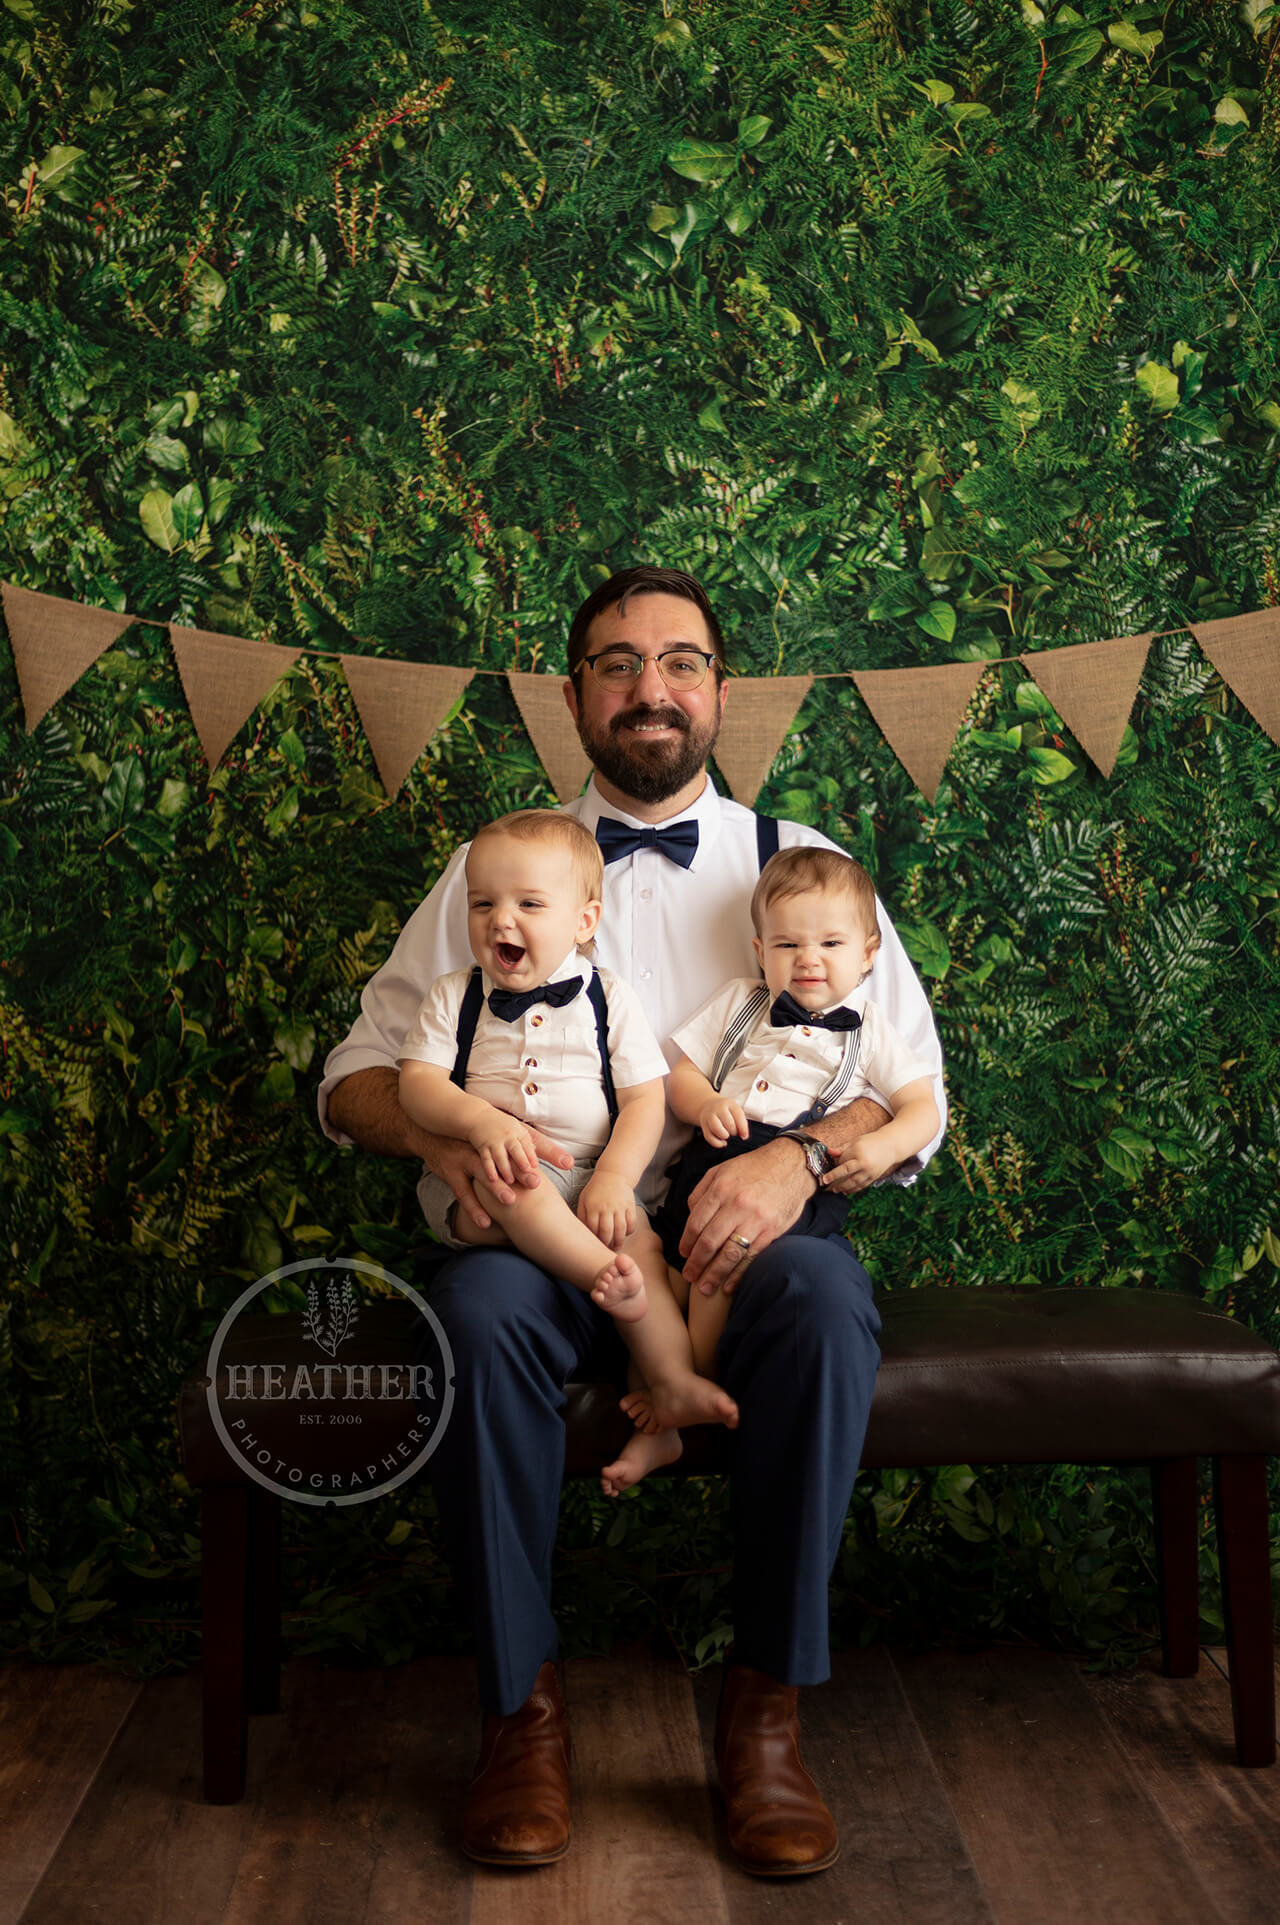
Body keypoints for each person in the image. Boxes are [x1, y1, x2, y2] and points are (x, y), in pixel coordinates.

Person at [319, 564, 946, 1876]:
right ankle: (517, 1717)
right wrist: (460, 1133)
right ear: (573, 695)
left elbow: (916, 1102)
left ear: (721, 692)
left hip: (746, 1238)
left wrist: (804, 1162)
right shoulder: (496, 866)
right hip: (536, 1234)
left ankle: (767, 1717)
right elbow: (354, 1082)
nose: (649, 690)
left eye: (679, 663)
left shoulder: (802, 866)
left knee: (827, 1305)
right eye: (616, 664)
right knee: (478, 1321)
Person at [602, 844, 941, 1496]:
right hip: (709, 1157)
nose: (808, 958)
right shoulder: (740, 1001)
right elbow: (683, 1074)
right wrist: (707, 1104)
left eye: (830, 943)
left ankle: (680, 1394)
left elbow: (922, 1107)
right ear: (760, 951)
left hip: (791, 1184)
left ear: (869, 952)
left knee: (710, 1276)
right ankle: (666, 1392)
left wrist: (882, 1146)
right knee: (656, 1273)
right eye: (787, 944)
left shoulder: (872, 1031)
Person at [396, 807, 739, 1435]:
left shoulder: (609, 997)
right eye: (483, 905)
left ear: (584, 921)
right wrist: (477, 1121)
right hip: (482, 1183)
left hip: (587, 1181)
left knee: (642, 1241)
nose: (501, 919)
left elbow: (644, 1102)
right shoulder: (454, 994)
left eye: (529, 904)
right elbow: (416, 1086)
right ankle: (600, 1274)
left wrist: (611, 1179)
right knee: (524, 1191)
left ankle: (671, 1382)